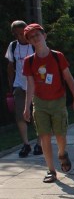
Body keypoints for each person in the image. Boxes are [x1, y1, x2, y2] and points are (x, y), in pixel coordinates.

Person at [21, 23, 74, 183]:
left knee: (60, 135)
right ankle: (51, 171)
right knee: (44, 136)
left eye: (37, 34)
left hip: (58, 101)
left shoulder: (57, 56)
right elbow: (30, 85)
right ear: (29, 42)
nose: (35, 38)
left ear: (44, 35)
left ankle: (62, 153)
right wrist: (27, 107)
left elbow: (68, 78)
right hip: (39, 103)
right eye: (31, 37)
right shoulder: (28, 61)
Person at [5, 20, 42, 157]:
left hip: (36, 86)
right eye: (16, 34)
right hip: (19, 85)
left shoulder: (34, 45)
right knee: (20, 115)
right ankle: (26, 144)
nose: (19, 37)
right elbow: (10, 66)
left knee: (38, 115)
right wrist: (11, 85)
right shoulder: (13, 46)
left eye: (21, 33)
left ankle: (39, 144)